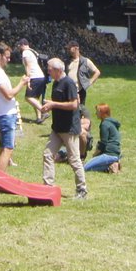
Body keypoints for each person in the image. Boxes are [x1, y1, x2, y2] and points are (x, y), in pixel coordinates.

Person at [39, 57, 87, 199]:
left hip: (69, 128)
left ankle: (82, 190)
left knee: (74, 160)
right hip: (57, 128)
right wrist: (48, 107)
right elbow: (57, 103)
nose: (48, 72)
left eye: (49, 70)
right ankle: (48, 187)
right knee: (47, 154)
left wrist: (53, 104)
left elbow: (74, 105)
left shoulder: (69, 84)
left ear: (58, 70)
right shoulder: (56, 83)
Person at [0, 41, 28, 171]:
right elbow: (8, 95)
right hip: (5, 115)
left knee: (4, 147)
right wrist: (22, 83)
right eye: (7, 57)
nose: (9, 60)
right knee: (8, 149)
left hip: (5, 114)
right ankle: (0, 180)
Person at [84, 103, 122, 173]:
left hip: (109, 154)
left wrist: (95, 154)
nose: (96, 114)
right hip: (116, 153)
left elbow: (103, 143)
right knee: (90, 164)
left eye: (97, 112)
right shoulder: (112, 123)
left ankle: (110, 166)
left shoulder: (105, 124)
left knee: (85, 168)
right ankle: (112, 164)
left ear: (103, 113)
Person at [18, 38, 47, 123]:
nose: (19, 47)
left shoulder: (25, 52)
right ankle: (38, 118)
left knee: (28, 97)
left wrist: (28, 79)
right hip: (41, 76)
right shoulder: (33, 51)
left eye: (19, 45)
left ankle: (44, 111)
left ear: (23, 45)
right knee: (35, 98)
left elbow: (28, 65)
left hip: (35, 77)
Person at [65, 41, 101, 107]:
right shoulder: (67, 61)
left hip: (80, 90)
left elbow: (97, 72)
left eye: (69, 48)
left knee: (80, 110)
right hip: (69, 90)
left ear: (76, 48)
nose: (68, 50)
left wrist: (90, 82)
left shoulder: (85, 61)